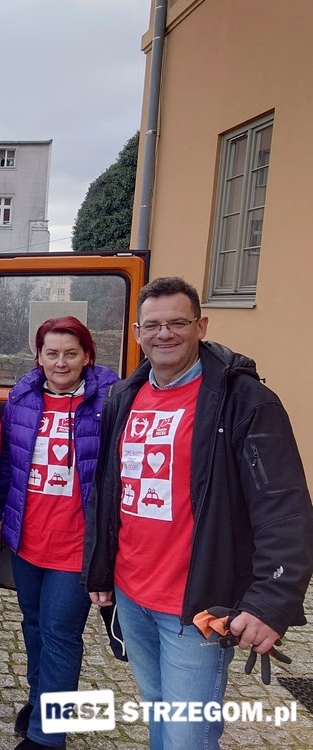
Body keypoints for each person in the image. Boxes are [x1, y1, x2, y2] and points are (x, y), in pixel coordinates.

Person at [83, 277, 313, 749]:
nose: (164, 333)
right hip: (133, 594)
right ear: (137, 332)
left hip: (199, 604)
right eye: (153, 325)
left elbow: (284, 507)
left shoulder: (245, 400)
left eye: (177, 323)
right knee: (159, 715)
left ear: (201, 326)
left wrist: (271, 601)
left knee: (189, 735)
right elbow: (109, 492)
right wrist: (100, 570)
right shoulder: (123, 397)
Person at [0, 316, 119, 749]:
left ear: (87, 355)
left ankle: (49, 735)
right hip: (27, 537)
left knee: (60, 634)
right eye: (52, 353)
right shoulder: (23, 396)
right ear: (39, 356)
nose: (60, 362)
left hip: (76, 545)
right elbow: (9, 460)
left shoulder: (111, 399)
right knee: (32, 625)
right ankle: (38, 700)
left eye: (70, 353)